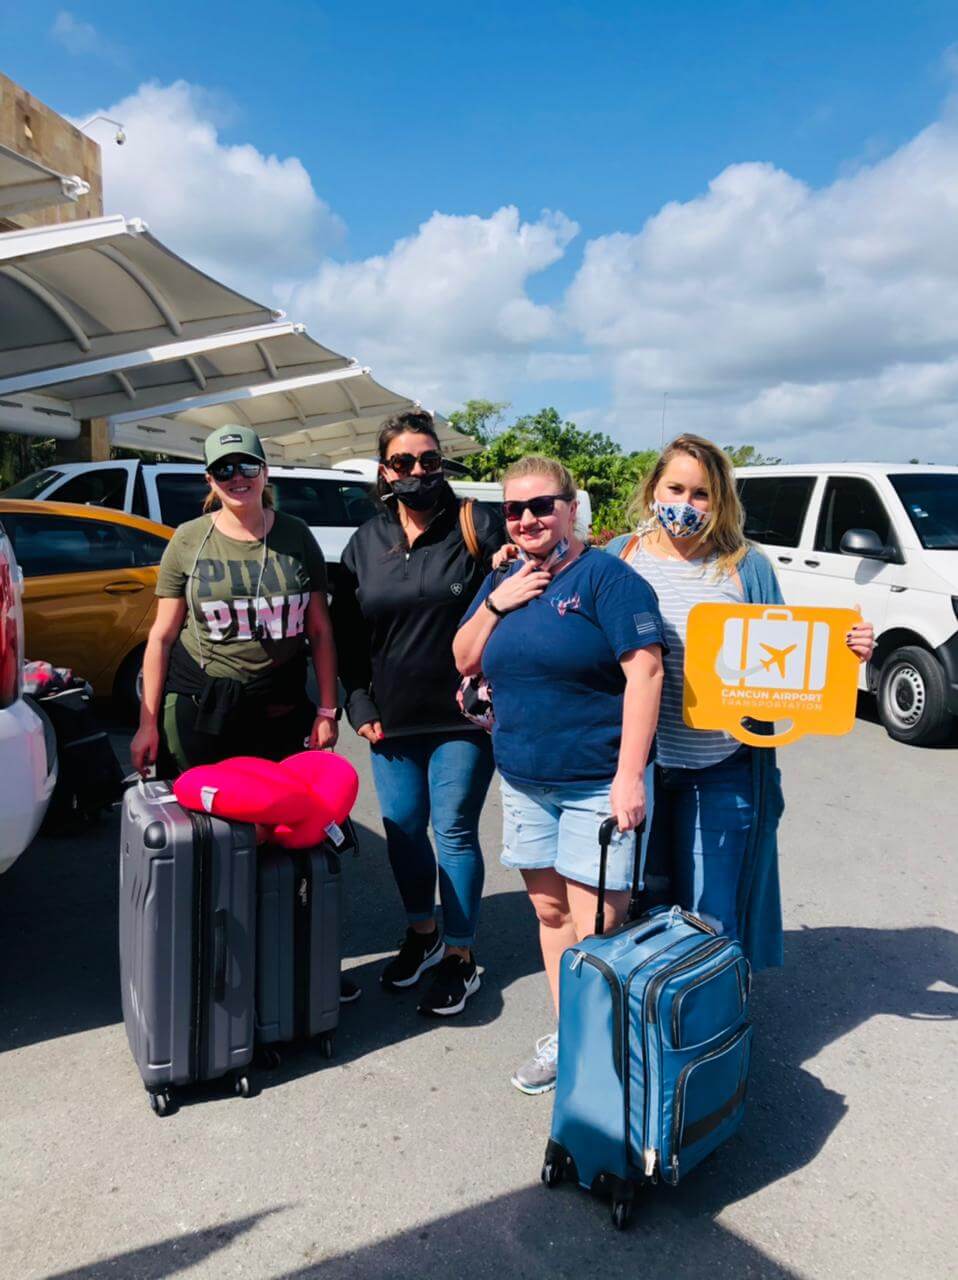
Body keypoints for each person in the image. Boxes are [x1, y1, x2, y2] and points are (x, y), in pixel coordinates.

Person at [606, 433, 875, 969]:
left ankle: (708, 1028)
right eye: (675, 488)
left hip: (722, 765)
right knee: (645, 908)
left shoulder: (745, 566)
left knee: (711, 915)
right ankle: (655, 1029)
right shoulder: (620, 558)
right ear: (653, 489)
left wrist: (846, 651)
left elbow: (786, 656)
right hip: (639, 767)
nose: (686, 504)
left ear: (721, 498)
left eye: (701, 493)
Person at [454, 456, 665, 1094]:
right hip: (523, 780)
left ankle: (608, 1051)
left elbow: (646, 672)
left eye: (542, 505)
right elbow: (463, 657)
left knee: (600, 925)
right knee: (550, 914)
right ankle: (571, 1034)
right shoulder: (504, 580)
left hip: (597, 780)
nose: (527, 519)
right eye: (513, 509)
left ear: (572, 509)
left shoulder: (606, 578)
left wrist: (630, 777)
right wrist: (496, 601)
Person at [128, 425, 357, 1001]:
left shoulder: (297, 537)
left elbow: (321, 629)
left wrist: (327, 707)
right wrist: (147, 722)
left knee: (287, 830)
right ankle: (214, 970)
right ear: (210, 480)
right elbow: (161, 637)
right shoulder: (189, 540)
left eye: (246, 467)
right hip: (204, 705)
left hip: (279, 703)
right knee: (214, 834)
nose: (237, 479)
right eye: (224, 470)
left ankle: (290, 961)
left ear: (265, 473)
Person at [330, 410, 506, 1017]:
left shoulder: (477, 524)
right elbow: (347, 634)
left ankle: (461, 956)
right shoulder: (366, 542)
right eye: (403, 463)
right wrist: (357, 701)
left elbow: (527, 580)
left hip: (463, 716)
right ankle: (424, 935)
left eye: (429, 460)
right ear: (385, 471)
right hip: (391, 720)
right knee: (403, 828)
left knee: (452, 828)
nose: (418, 472)